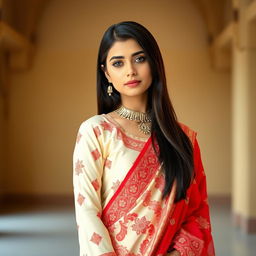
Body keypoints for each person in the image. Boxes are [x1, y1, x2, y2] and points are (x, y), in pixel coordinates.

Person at [73, 21, 215, 256]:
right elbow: (87, 210)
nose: (130, 70)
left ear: (154, 64)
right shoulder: (97, 131)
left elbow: (196, 213)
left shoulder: (183, 138)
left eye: (139, 59)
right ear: (107, 73)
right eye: (118, 63)